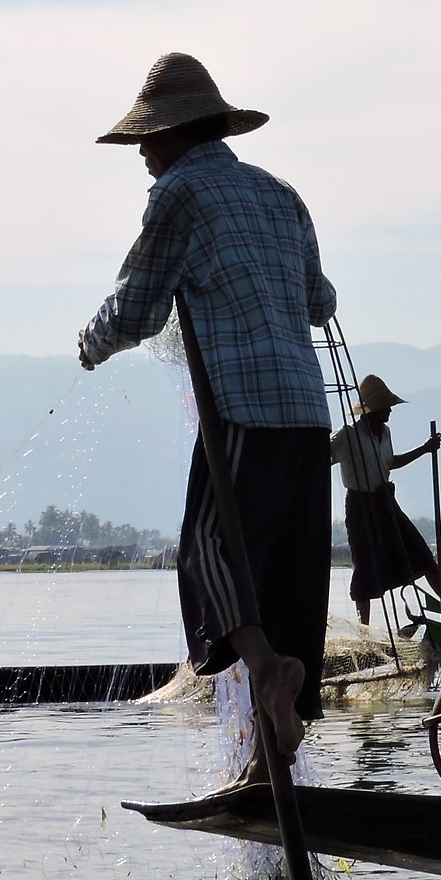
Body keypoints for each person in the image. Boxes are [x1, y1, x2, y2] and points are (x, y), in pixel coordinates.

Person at [76, 52, 334, 770]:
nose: (143, 158)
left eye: (147, 142)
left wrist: (91, 344)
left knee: (208, 554)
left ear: (177, 134)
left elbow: (135, 308)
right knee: (282, 575)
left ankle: (264, 664)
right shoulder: (281, 195)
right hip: (308, 417)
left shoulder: (180, 194)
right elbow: (321, 302)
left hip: (244, 414)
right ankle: (267, 757)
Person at [332, 375, 441, 608]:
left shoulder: (385, 433)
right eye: (387, 407)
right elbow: (323, 455)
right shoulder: (347, 435)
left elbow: (391, 462)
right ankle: (364, 628)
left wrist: (425, 449)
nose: (390, 412)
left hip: (385, 501)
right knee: (364, 567)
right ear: (374, 409)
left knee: (422, 555)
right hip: (360, 506)